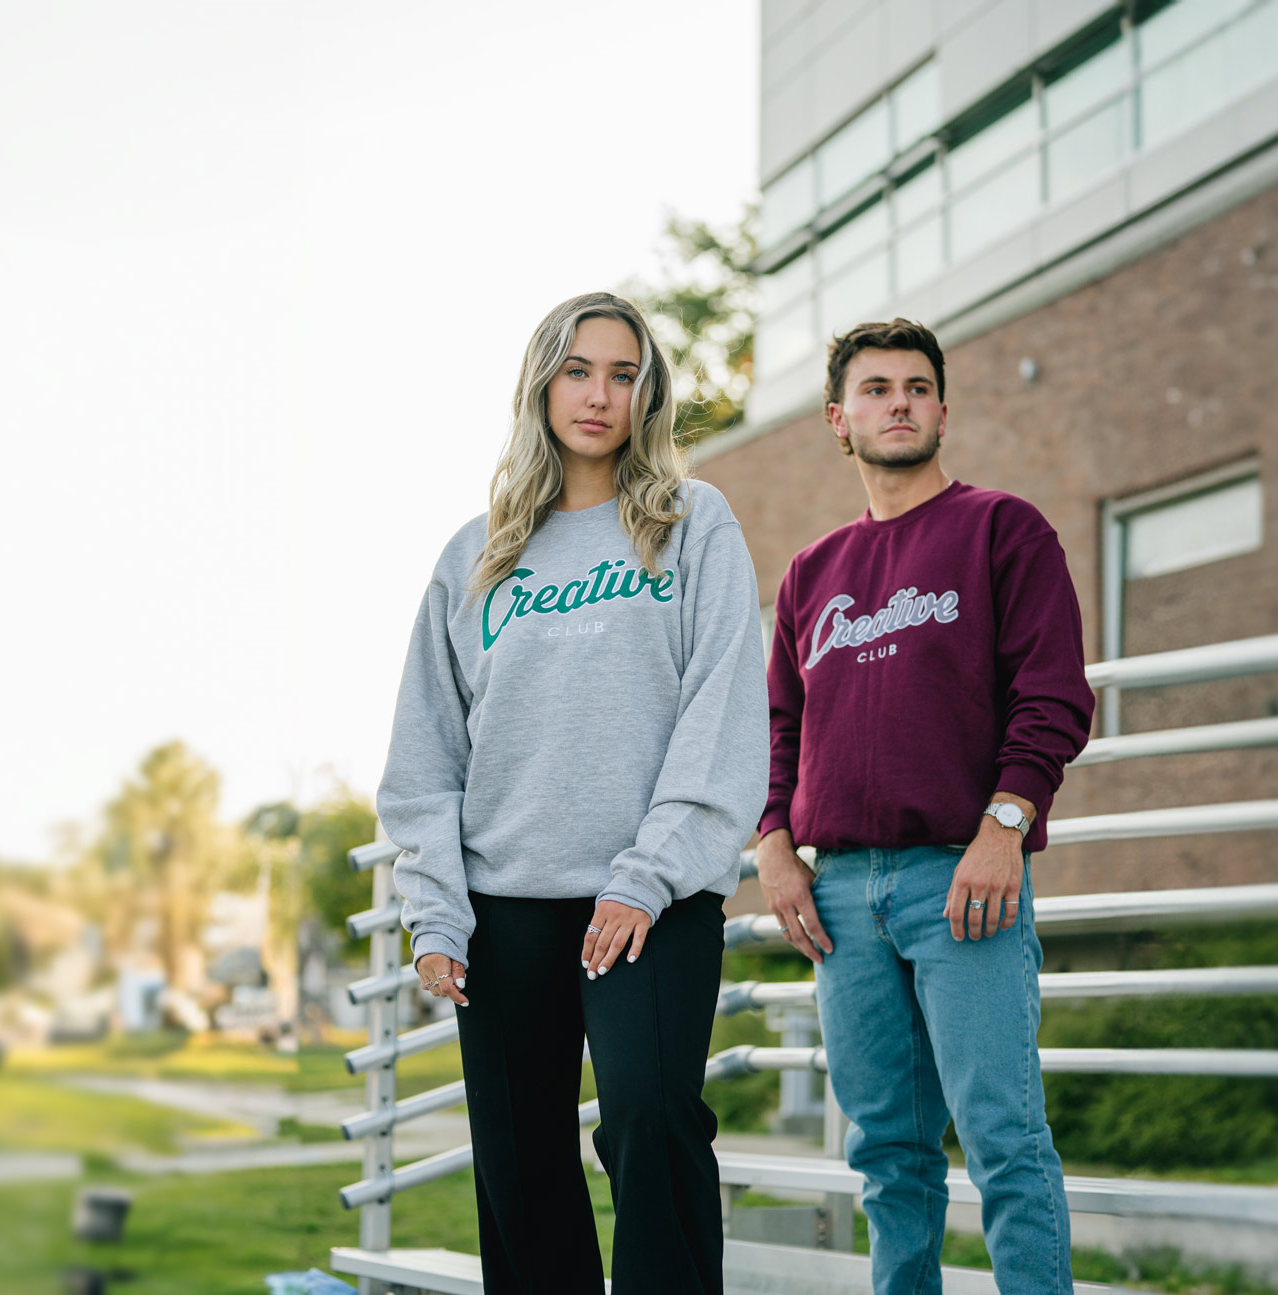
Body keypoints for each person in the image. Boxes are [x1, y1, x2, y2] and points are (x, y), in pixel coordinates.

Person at [377, 290, 769, 1295]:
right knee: (519, 1157)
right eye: (579, 369)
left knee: (649, 1113)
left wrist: (647, 875)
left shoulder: (694, 523)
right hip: (504, 902)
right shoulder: (476, 553)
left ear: (649, 394)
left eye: (624, 373)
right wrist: (434, 912)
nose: (600, 394)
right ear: (542, 383)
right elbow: (424, 755)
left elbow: (720, 711)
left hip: (652, 896)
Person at [751, 319, 1094, 1294]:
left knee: (1002, 1136)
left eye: (915, 386)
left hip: (964, 878)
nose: (897, 401)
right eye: (874, 388)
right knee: (886, 1151)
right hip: (844, 894)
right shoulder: (812, 573)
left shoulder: (1001, 528)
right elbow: (779, 726)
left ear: (942, 408)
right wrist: (775, 848)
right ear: (838, 418)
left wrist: (1004, 827)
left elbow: (1054, 693)